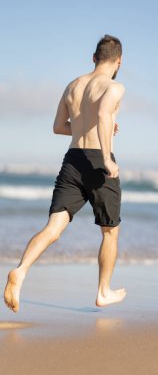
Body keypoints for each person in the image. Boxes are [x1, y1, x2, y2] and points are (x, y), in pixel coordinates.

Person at [4, 34, 127, 312]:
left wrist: (90, 128)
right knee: (110, 232)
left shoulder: (72, 85)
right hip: (98, 163)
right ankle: (103, 291)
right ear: (119, 60)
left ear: (94, 58)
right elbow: (104, 116)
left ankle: (21, 270)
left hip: (72, 160)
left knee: (54, 228)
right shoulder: (115, 87)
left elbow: (60, 127)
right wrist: (107, 158)